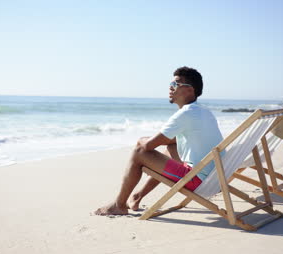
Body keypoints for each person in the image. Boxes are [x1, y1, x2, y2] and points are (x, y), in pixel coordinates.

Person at [94, 66, 223, 215]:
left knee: (139, 152)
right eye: (170, 85)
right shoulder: (203, 111)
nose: (170, 88)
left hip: (198, 181)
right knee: (172, 147)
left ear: (190, 90)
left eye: (175, 84)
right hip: (215, 178)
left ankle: (119, 205)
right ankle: (137, 196)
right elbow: (171, 139)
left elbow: (148, 145)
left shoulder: (186, 113)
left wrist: (141, 139)